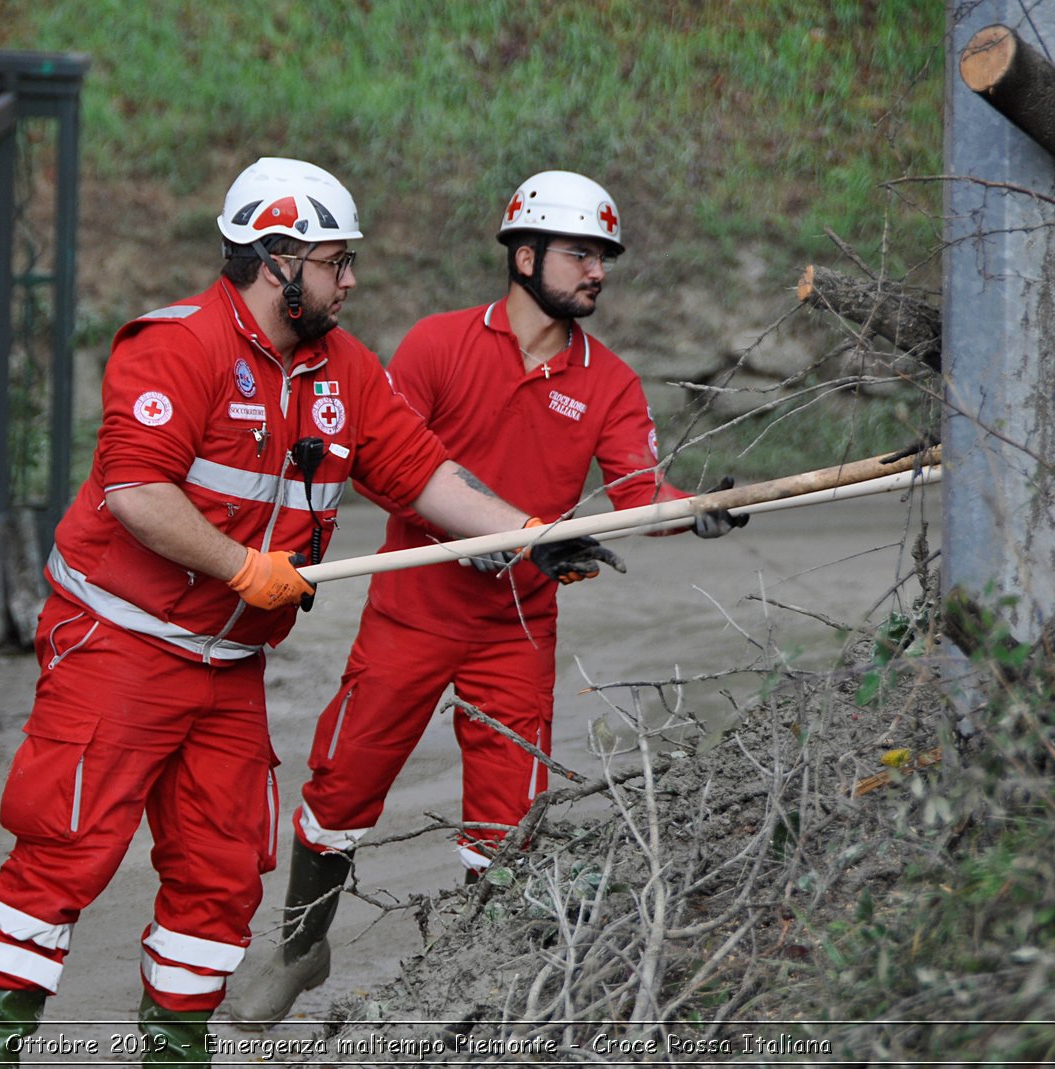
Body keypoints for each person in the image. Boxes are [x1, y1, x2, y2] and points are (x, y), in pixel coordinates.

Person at [0, 157, 568, 1066]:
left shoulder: (344, 368)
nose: (350, 280)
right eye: (334, 261)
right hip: (119, 647)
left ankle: (176, 1053)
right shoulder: (178, 345)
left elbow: (424, 474)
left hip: (227, 665)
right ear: (275, 259)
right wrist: (245, 567)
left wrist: (528, 534)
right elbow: (134, 492)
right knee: (65, 850)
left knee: (222, 873)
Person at [228, 169, 747, 1029]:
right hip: (412, 608)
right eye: (581, 253)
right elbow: (389, 466)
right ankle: (299, 948)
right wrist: (457, 544)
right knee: (343, 785)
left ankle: (482, 991)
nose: (597, 272)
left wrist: (696, 513)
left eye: (603, 257)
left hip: (517, 627)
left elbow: (638, 493)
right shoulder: (437, 345)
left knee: (509, 819)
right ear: (526, 252)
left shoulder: (609, 381)